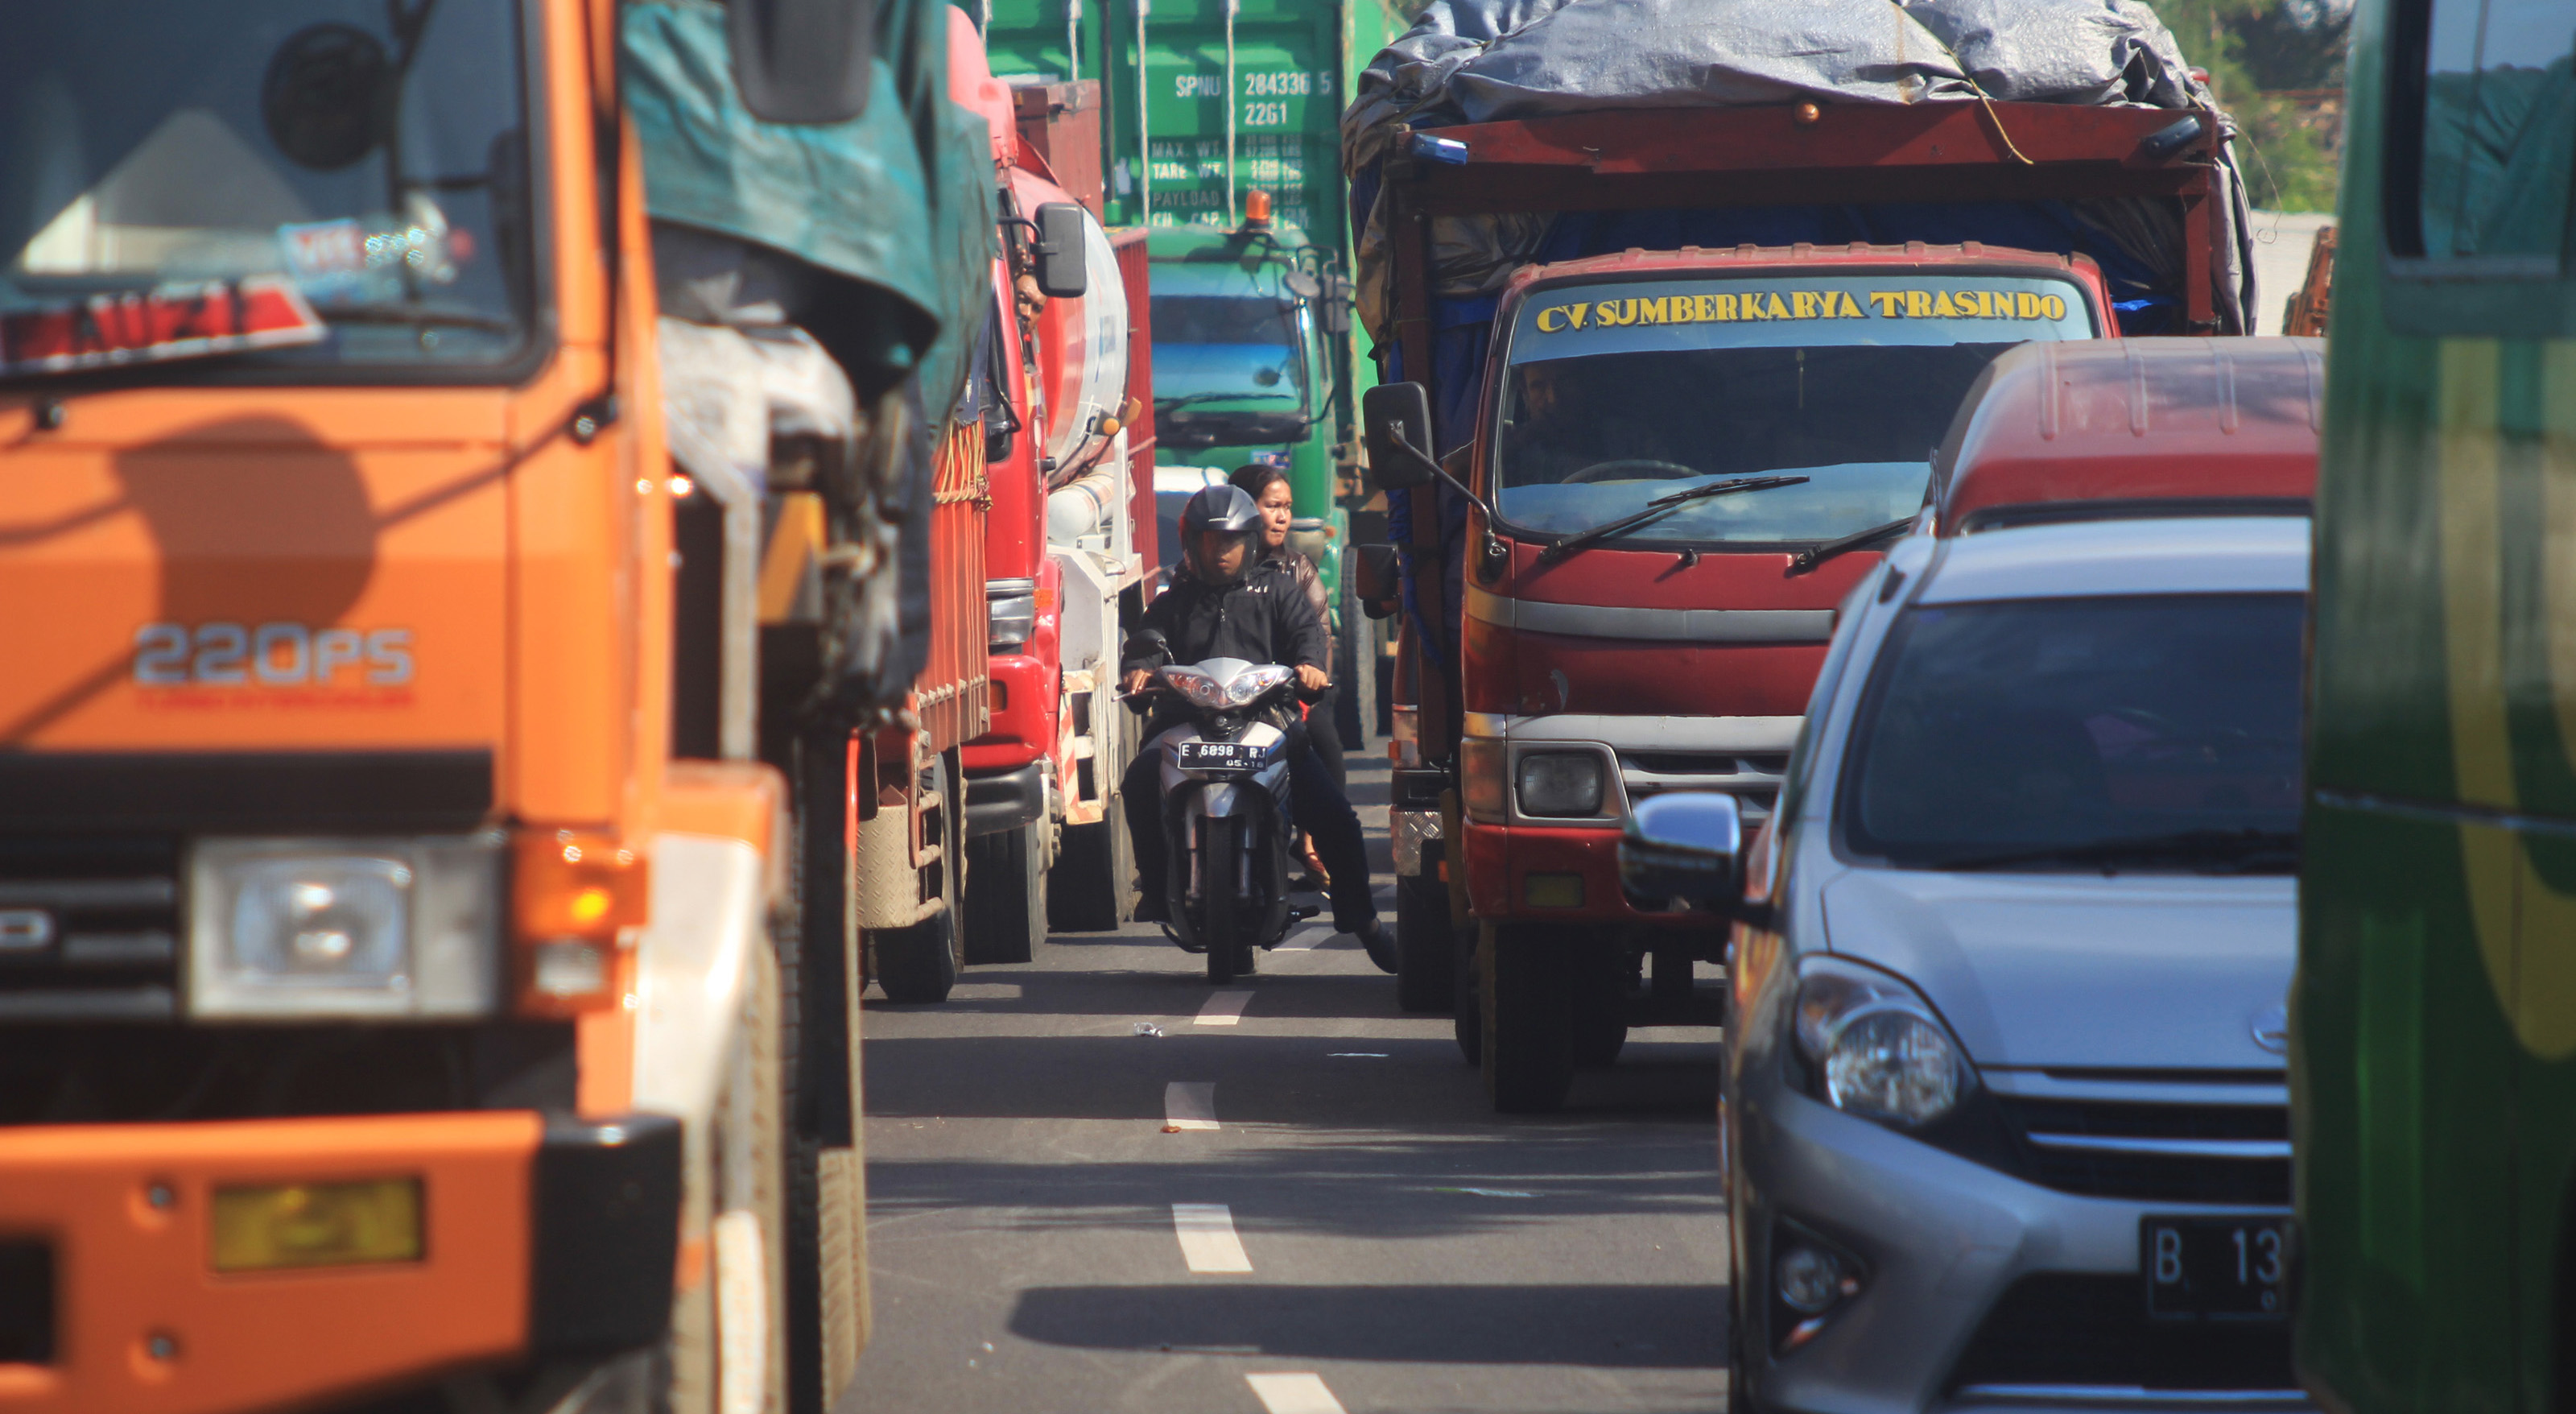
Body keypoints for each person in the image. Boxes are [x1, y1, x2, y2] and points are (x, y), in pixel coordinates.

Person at [1121, 486, 1395, 966]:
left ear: (1248, 542)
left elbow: (1307, 635)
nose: (1219, 552)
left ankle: (1364, 921)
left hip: (1269, 723)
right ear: (1192, 545)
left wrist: (1311, 665)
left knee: (1336, 817)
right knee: (1140, 778)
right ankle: (1156, 884)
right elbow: (1147, 639)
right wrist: (1141, 666)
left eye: (1229, 542)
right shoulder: (1174, 599)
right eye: (1208, 541)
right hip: (1185, 724)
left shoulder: (1279, 591)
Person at [1227, 462, 1344, 788]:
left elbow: (1319, 634)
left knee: (1326, 746)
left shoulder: (1298, 568)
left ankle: (1313, 839)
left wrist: (1310, 679)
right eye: (1272, 506)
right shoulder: (1208, 569)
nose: (1282, 517)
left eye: (1287, 508)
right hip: (1219, 701)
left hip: (1285, 700)